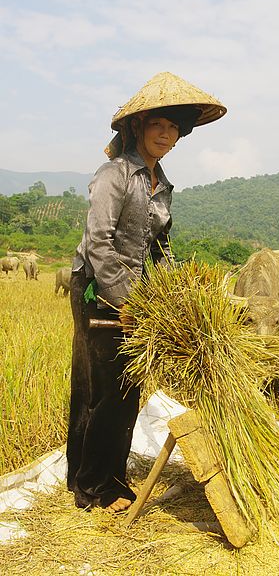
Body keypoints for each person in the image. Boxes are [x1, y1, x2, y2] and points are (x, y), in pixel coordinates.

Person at [66, 72, 226, 512]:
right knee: (106, 389)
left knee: (126, 391)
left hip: (137, 297)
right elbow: (98, 242)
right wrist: (128, 302)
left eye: (173, 128)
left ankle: (99, 475)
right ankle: (94, 488)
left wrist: (176, 296)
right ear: (139, 127)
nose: (166, 133)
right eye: (158, 124)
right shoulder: (114, 175)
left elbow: (159, 249)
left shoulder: (161, 185)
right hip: (97, 290)